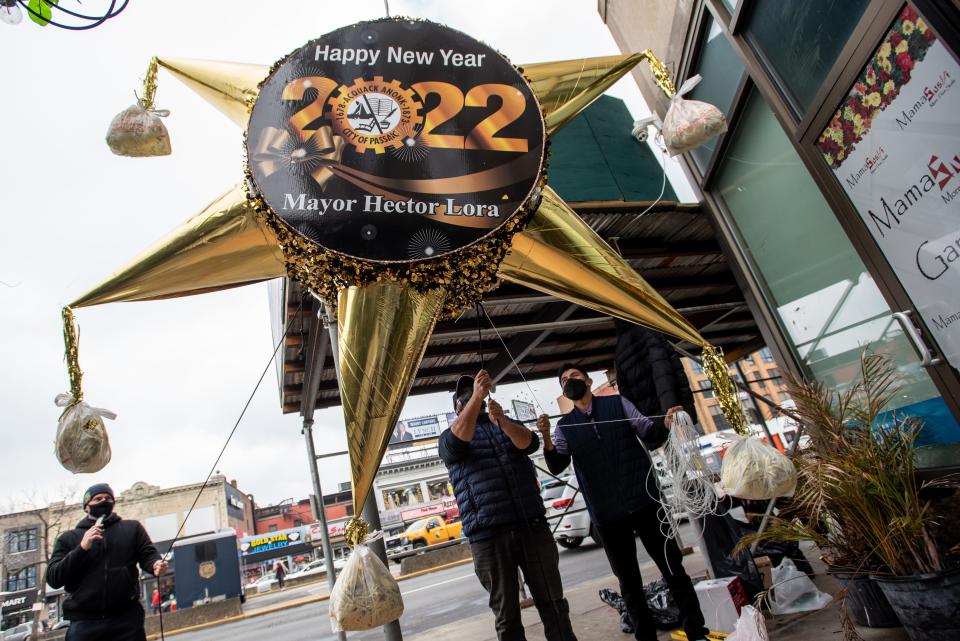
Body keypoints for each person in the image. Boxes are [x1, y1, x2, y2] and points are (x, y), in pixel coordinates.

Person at [538, 365, 710, 641]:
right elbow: (556, 464)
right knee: (629, 583)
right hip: (607, 515)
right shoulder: (564, 427)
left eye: (575, 376)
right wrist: (545, 436)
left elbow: (647, 430)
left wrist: (665, 423)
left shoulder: (618, 403)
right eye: (565, 380)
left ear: (589, 381)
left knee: (673, 568)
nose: (570, 382)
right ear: (563, 391)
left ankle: (696, 630)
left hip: (645, 502)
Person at [439, 370, 578, 641]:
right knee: (507, 616)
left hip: (531, 526)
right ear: (458, 408)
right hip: (488, 537)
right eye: (465, 397)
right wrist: (477, 396)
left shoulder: (503, 422)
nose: (474, 398)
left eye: (476, 393)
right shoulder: (450, 435)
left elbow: (529, 443)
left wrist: (502, 421)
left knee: (553, 603)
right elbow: (455, 445)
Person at [47, 483, 168, 641]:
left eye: (108, 498)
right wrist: (82, 548)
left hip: (126, 620)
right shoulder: (68, 539)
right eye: (98, 499)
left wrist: (155, 564)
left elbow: (148, 554)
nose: (104, 501)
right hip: (84, 624)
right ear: (86, 506)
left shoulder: (132, 529)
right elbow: (54, 578)